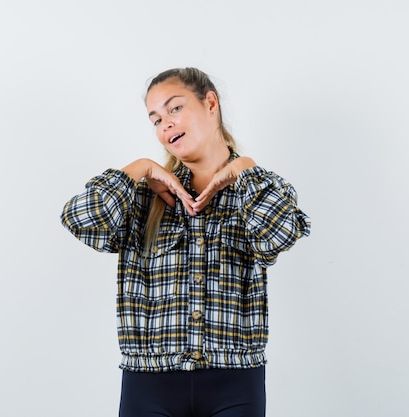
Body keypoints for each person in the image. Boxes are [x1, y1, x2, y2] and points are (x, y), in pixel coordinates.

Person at [60, 67, 311, 417]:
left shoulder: (258, 189)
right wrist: (139, 168)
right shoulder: (143, 196)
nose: (165, 124)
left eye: (175, 108)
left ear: (210, 103)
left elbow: (278, 235)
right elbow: (80, 219)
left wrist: (245, 169)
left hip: (236, 382)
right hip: (149, 383)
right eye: (156, 119)